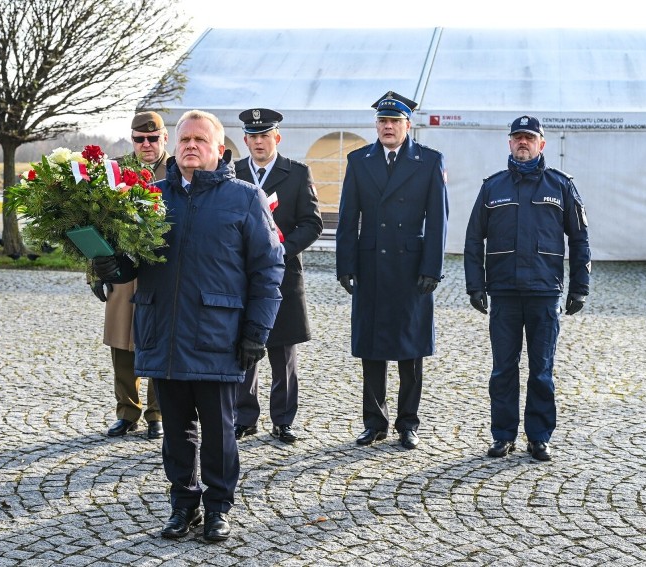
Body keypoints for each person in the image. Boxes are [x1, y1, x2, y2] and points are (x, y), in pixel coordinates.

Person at [92, 110, 284, 542]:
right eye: (184, 140)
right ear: (173, 146)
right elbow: (130, 264)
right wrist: (108, 263)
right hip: (163, 330)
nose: (191, 146)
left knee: (219, 433)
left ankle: (218, 507)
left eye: (200, 139)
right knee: (176, 433)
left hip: (218, 335)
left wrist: (257, 330)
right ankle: (183, 503)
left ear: (219, 148)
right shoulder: (149, 197)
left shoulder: (244, 198)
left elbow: (269, 268)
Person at [463, 115, 591, 462]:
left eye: (529, 138)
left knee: (541, 368)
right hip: (503, 292)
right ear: (509, 143)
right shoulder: (493, 187)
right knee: (503, 369)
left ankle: (539, 436)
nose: (523, 143)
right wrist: (475, 285)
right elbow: (474, 239)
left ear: (541, 144)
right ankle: (503, 436)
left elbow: (579, 239)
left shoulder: (560, 186)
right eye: (518, 138)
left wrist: (579, 287)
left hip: (544, 293)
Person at [335, 91, 449, 450]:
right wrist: (345, 264)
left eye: (394, 122)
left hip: (411, 267)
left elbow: (438, 219)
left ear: (407, 125)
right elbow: (348, 217)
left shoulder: (429, 161)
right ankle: (374, 422)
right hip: (371, 265)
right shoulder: (359, 160)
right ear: (376, 125)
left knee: (410, 347)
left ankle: (407, 422)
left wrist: (432, 266)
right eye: (383, 122)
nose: (388, 127)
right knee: (371, 346)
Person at [232, 108, 323, 444]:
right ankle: (245, 416)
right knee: (245, 348)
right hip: (242, 277)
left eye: (264, 136)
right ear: (245, 140)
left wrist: (281, 250)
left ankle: (283, 420)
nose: (258, 142)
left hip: (283, 276)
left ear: (277, 138)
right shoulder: (234, 171)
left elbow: (313, 223)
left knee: (283, 353)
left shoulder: (297, 173)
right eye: (253, 136)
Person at [90, 111, 169, 439]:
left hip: (164, 271)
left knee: (161, 343)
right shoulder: (114, 170)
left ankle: (158, 414)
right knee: (122, 344)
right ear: (132, 139)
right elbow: (91, 223)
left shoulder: (179, 170)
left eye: (153, 138)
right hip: (122, 272)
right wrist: (94, 271)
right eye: (140, 139)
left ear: (165, 138)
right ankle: (127, 412)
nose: (147, 145)